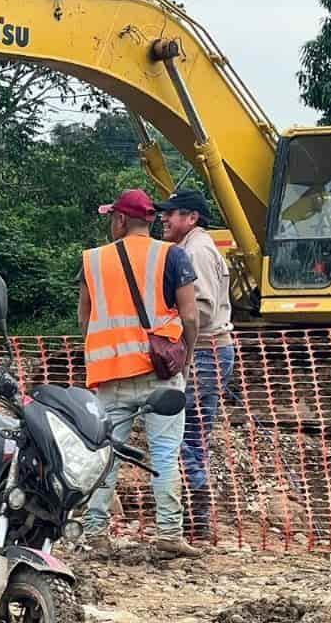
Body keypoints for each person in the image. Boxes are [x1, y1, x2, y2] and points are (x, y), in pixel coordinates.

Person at [79, 189, 201, 557]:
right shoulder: (173, 255)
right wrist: (187, 356)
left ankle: (95, 534)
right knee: (164, 453)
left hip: (110, 375)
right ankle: (168, 534)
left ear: (119, 219)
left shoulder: (93, 260)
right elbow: (191, 316)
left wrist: (104, 353)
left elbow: (85, 317)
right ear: (149, 220)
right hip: (160, 373)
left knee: (106, 456)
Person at [158, 189, 235, 542]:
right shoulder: (197, 247)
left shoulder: (195, 251)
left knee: (180, 433)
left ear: (191, 218)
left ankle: (198, 499)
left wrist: (169, 326)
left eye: (171, 213)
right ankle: (198, 516)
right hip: (211, 349)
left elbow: (200, 310)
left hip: (203, 349)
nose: (164, 218)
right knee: (194, 436)